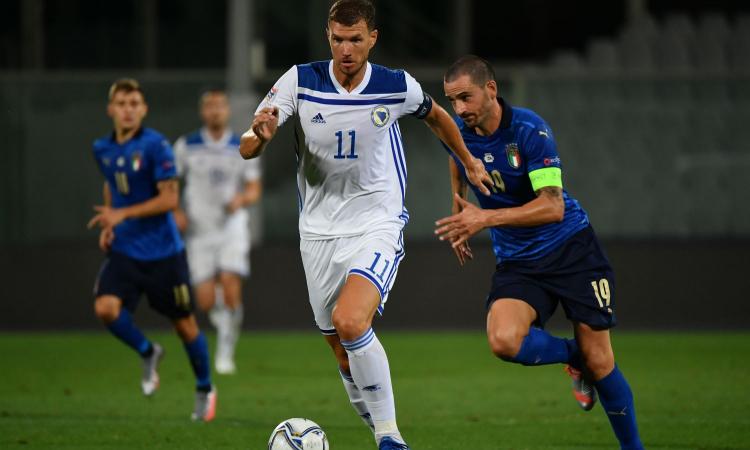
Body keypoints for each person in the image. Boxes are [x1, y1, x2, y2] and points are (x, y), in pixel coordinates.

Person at [239, 1, 492, 448]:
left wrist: (469, 162)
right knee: (342, 353)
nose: (346, 50)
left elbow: (436, 115)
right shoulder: (301, 80)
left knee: (352, 322)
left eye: (356, 39)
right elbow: (248, 145)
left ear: (372, 38)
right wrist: (259, 138)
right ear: (328, 36)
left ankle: (391, 439)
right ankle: (381, 432)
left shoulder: (396, 86)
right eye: (338, 39)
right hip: (317, 233)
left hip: (377, 220)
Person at [434, 55, 644, 450]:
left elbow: (553, 206)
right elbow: (458, 162)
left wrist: (486, 220)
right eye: (451, 100)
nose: (459, 109)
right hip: (519, 262)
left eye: (465, 97)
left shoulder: (530, 131)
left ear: (491, 90)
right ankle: (574, 356)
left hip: (571, 250)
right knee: (503, 341)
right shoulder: (458, 134)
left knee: (603, 362)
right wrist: (459, 212)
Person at [88, 78, 217, 422]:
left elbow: (169, 199)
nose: (128, 109)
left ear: (143, 110)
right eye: (122, 103)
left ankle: (205, 388)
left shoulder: (156, 146)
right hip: (126, 250)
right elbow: (111, 185)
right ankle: (148, 352)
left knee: (185, 326)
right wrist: (111, 224)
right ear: (111, 110)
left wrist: (122, 213)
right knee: (105, 308)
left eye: (134, 104)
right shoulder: (102, 148)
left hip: (163, 255)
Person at [173, 89, 262, 375]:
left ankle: (226, 350)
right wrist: (176, 211)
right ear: (203, 112)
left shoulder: (243, 144)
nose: (215, 111)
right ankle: (225, 323)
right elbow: (170, 183)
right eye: (209, 106)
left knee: (230, 282)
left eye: (219, 106)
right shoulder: (186, 146)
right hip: (199, 231)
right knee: (206, 300)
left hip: (231, 227)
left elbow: (253, 187)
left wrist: (242, 200)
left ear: (227, 111)